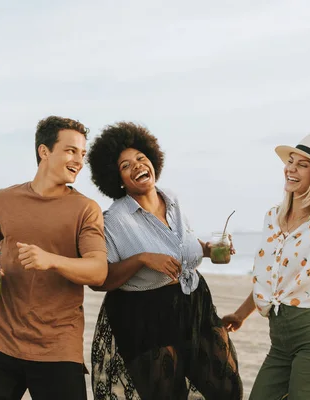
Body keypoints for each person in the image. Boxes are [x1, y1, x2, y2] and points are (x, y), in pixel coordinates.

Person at [87, 122, 243, 400]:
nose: (136, 166)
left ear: (152, 159)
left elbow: (182, 246)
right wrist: (142, 260)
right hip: (145, 316)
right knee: (167, 395)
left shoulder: (172, 199)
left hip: (195, 304)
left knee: (227, 388)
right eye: (125, 165)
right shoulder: (113, 221)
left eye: (140, 158)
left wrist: (209, 250)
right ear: (117, 179)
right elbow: (102, 281)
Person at [0, 116, 108, 400]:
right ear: (44, 151)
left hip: (58, 346)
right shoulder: (3, 199)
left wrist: (52, 260)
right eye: (70, 151)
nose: (79, 160)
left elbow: (98, 271)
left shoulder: (85, 209)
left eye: (82, 154)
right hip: (4, 339)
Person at [222, 132, 310, 400]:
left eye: (302, 165)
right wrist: (240, 315)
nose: (291, 169)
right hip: (280, 344)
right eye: (290, 162)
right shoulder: (273, 217)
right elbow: (271, 279)